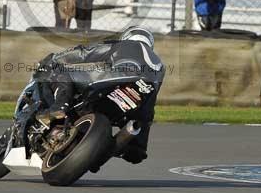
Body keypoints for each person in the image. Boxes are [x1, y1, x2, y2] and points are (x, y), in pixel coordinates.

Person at [34, 26, 164, 165]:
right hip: (140, 100)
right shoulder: (160, 65)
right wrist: (140, 143)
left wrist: (55, 59)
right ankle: (135, 147)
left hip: (116, 80)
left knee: (61, 72)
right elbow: (150, 103)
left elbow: (85, 53)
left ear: (127, 37)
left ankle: (59, 107)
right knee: (143, 119)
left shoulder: (124, 44)